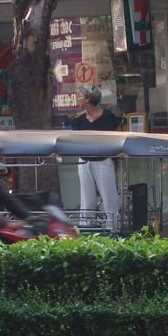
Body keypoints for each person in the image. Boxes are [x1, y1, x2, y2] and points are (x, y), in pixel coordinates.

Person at [71, 86, 123, 233]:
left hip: (103, 161)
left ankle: (113, 229)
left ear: (88, 99)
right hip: (84, 161)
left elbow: (119, 137)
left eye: (80, 96)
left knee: (109, 195)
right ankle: (87, 229)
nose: (78, 98)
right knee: (86, 197)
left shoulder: (108, 117)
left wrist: (117, 154)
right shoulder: (79, 120)